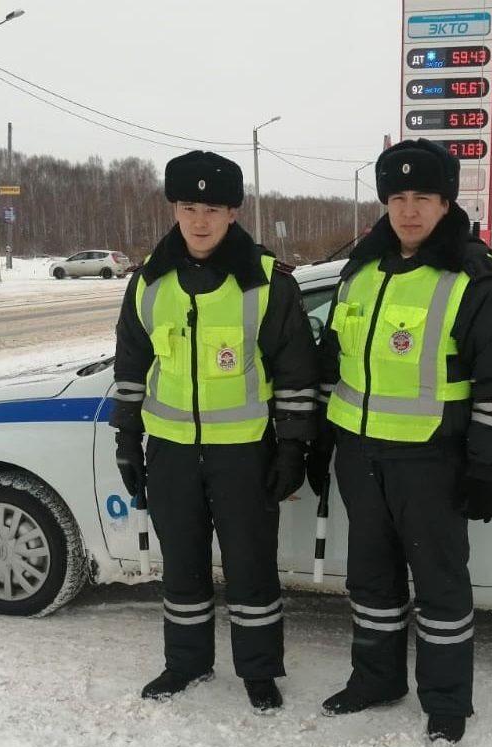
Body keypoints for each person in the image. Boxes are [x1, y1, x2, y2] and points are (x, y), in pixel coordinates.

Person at [308, 139, 492, 747]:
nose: (408, 210)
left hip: (433, 458)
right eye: (397, 197)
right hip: (359, 453)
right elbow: (335, 363)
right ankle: (376, 680)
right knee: (370, 580)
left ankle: (447, 701)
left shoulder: (475, 278)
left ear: (446, 201)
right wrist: (321, 445)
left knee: (440, 586)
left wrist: (487, 467)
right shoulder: (361, 271)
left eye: (422, 197)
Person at [110, 150, 318, 713]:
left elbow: (297, 374)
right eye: (188, 207)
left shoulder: (267, 283)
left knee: (251, 569)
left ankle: (257, 670)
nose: (199, 221)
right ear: (175, 210)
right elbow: (131, 367)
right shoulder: (149, 283)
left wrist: (293, 448)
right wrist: (127, 440)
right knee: (181, 566)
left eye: (213, 208)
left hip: (245, 455)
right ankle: (186, 663)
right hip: (172, 452)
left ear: (233, 213)